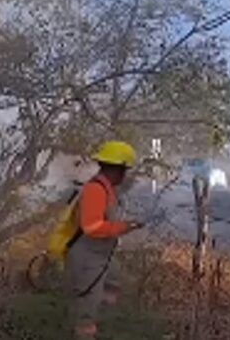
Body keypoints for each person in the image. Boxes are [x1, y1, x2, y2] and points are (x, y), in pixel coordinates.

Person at [66, 140, 144, 339]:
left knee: (111, 286)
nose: (126, 175)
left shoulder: (106, 187)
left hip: (100, 255)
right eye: (124, 170)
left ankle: (105, 326)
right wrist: (124, 227)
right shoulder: (95, 189)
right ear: (115, 169)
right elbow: (92, 227)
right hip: (87, 257)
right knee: (87, 309)